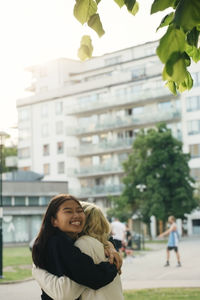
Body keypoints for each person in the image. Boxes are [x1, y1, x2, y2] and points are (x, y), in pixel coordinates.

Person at [32, 194, 121, 300]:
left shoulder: (66, 241)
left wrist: (110, 246)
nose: (76, 215)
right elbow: (91, 276)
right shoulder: (59, 243)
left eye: (79, 211)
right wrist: (113, 265)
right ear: (54, 221)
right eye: (68, 211)